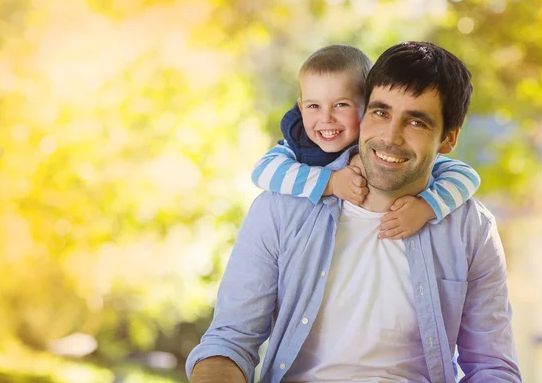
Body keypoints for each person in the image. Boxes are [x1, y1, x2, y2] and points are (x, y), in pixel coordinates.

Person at [186, 42, 522, 383]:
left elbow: (492, 368)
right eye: (380, 112)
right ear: (362, 114)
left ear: (448, 139)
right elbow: (229, 342)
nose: (391, 136)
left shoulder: (470, 229)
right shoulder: (280, 209)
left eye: (416, 122)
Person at [251, 45, 480, 239]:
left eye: (341, 105)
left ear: (366, 107)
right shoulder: (300, 145)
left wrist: (428, 207)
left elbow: (466, 176)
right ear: (301, 109)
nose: (326, 118)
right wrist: (330, 182)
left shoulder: (390, 151)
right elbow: (262, 171)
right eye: (313, 106)